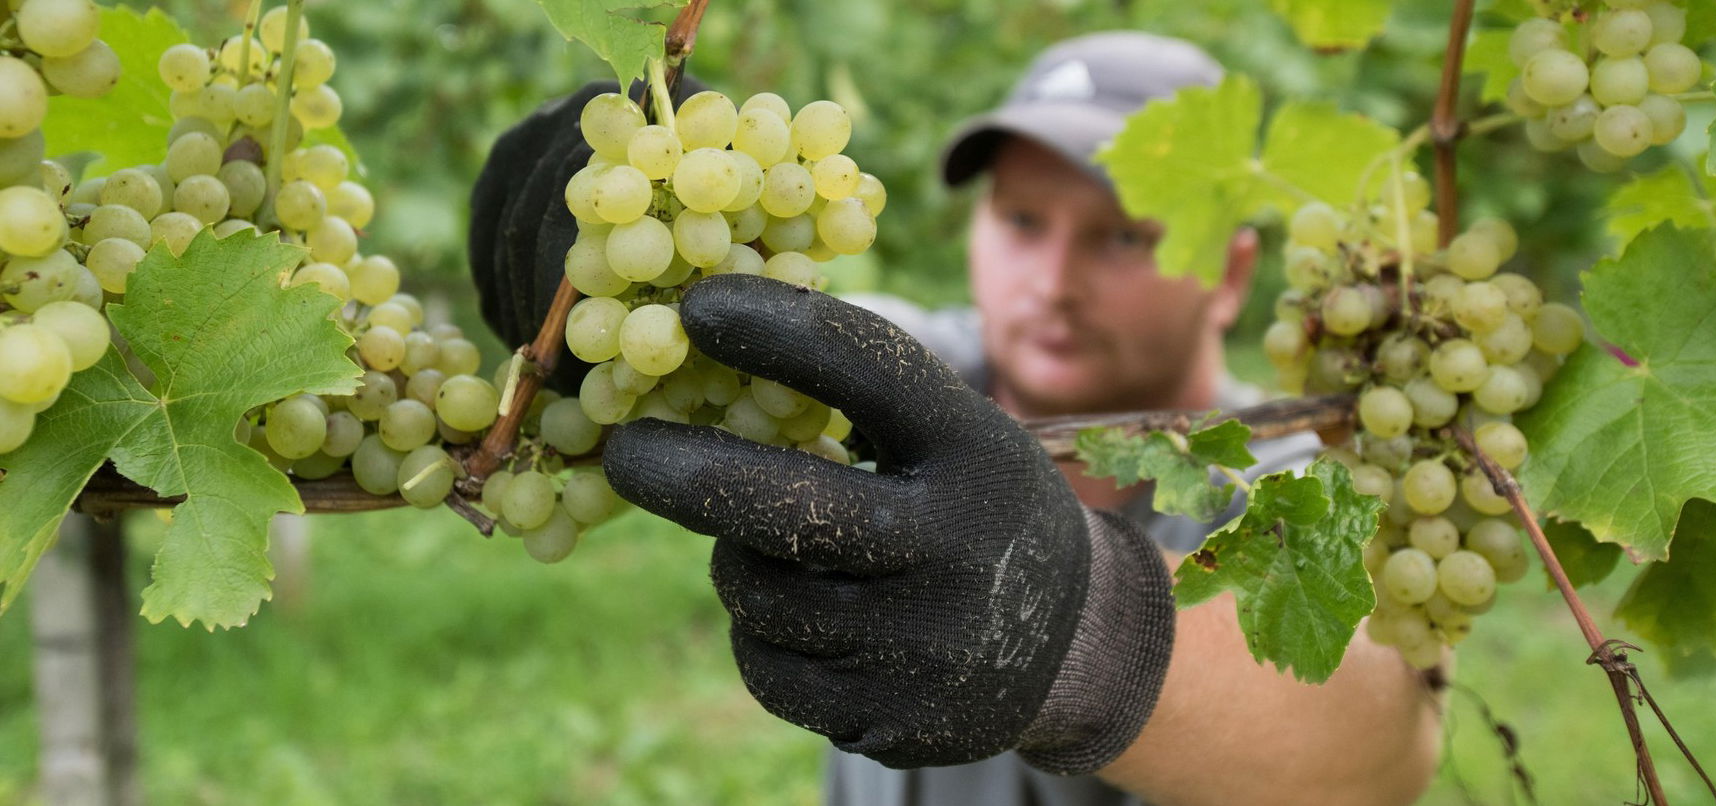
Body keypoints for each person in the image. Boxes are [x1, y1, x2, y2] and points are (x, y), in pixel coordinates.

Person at [469, 31, 1443, 806]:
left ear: (1231, 274)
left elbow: (1374, 749)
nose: (1054, 282)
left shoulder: (1292, 475)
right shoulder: (904, 379)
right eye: (1023, 221)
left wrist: (1072, 627)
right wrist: (612, 280)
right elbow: (767, 331)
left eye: (1122, 235)